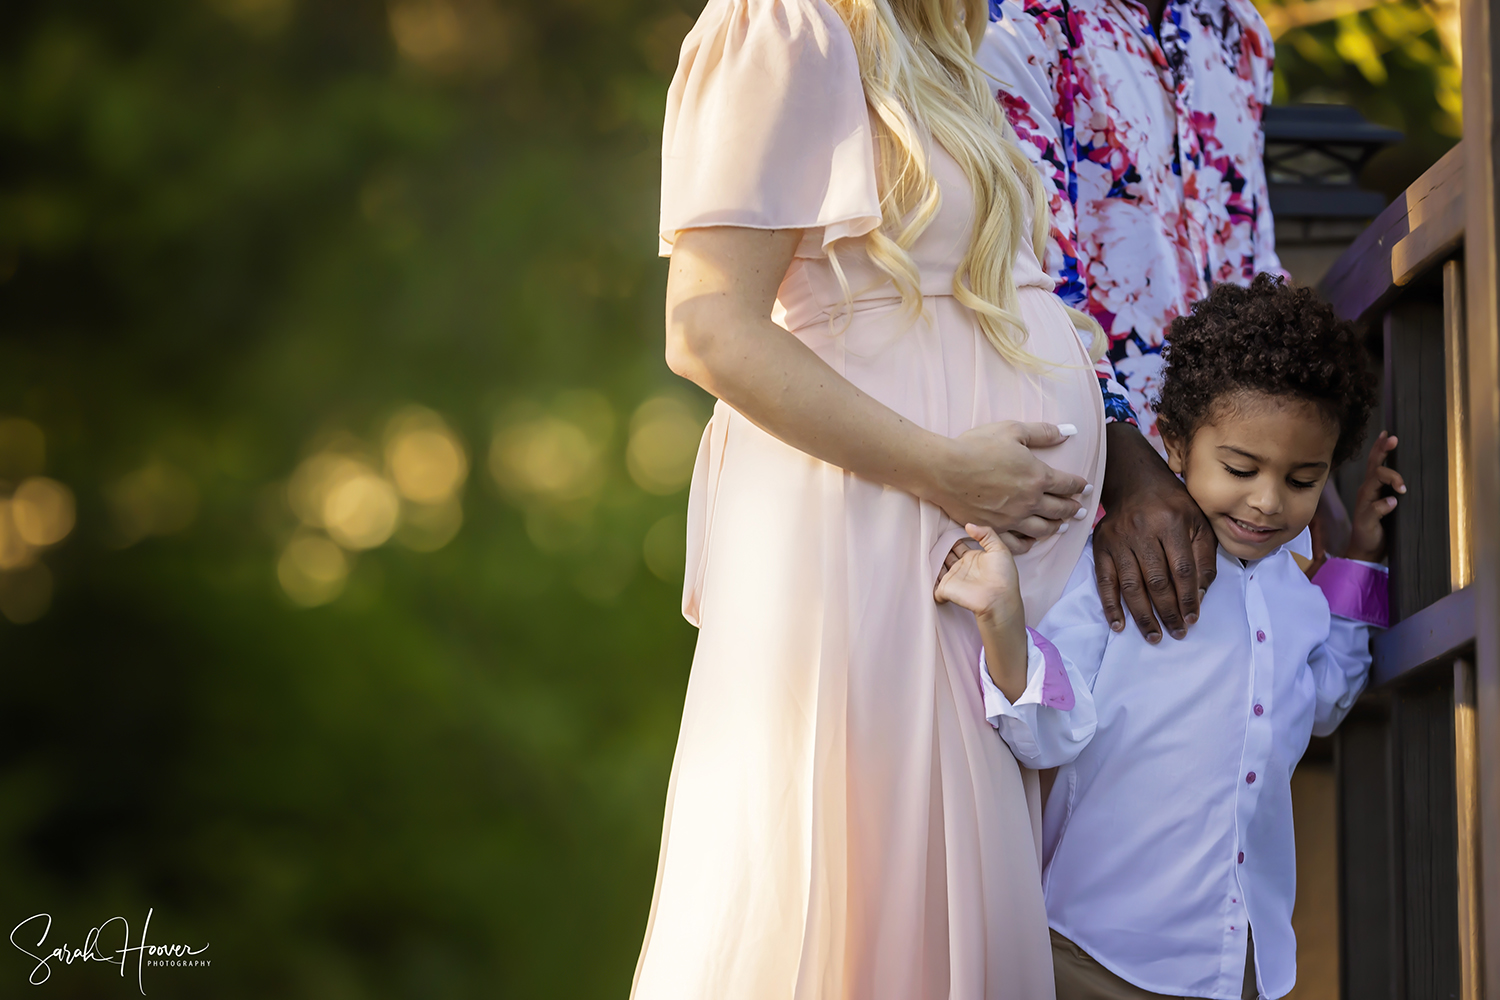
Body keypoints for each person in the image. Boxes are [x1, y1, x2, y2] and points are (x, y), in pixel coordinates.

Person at [635, 0, 1112, 996]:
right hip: (861, 529)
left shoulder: (937, 41)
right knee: (857, 883)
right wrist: (942, 466)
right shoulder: (783, 24)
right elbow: (708, 327)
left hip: (938, 544)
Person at [936, 274, 1396, 999]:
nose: (1268, 501)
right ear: (1176, 446)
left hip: (1243, 960)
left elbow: (1328, 703)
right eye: (1240, 468)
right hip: (1095, 951)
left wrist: (1361, 559)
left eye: (1302, 479)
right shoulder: (1114, 574)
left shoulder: (1299, 597)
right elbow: (1046, 737)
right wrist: (1003, 619)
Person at [978, 0, 1284, 644]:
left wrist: (1298, 473)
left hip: (1232, 498)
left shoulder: (1235, 26)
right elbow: (1019, 268)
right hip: (1078, 491)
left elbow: (1248, 255)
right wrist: (1123, 468)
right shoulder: (1005, 16)